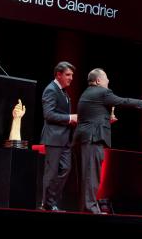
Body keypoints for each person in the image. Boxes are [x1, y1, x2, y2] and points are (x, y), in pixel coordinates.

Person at [73, 68, 142, 214]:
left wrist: (106, 120)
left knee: (85, 176)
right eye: (106, 78)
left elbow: (91, 117)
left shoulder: (87, 92)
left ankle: (85, 208)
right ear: (98, 80)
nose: (108, 81)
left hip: (84, 138)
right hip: (92, 139)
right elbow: (123, 101)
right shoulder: (102, 92)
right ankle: (90, 208)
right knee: (92, 176)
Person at [39, 61, 78, 211]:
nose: (71, 78)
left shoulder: (63, 91)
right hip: (54, 138)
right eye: (68, 75)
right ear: (58, 74)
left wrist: (72, 121)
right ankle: (47, 204)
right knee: (52, 172)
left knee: (66, 169)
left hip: (65, 138)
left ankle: (51, 201)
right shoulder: (51, 90)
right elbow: (48, 115)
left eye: (72, 75)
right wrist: (70, 118)